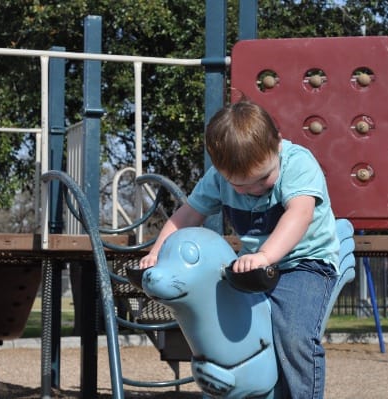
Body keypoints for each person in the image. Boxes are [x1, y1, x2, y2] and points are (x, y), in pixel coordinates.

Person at [139, 100, 340, 398]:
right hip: (255, 266)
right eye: (240, 187)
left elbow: (299, 214)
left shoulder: (299, 164)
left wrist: (265, 256)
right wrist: (159, 253)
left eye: (263, 179)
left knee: (294, 335)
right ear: (221, 171)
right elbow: (187, 216)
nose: (254, 189)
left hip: (305, 263)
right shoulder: (218, 179)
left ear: (278, 143)